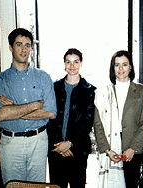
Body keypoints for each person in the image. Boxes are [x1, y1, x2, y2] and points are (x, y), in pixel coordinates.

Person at [0, 28, 57, 184]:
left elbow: (50, 113)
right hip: (11, 143)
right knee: (13, 185)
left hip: (39, 142)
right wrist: (35, 105)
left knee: (37, 186)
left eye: (27, 45)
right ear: (10, 47)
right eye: (19, 44)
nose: (24, 49)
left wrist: (14, 108)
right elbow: (1, 114)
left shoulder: (43, 77)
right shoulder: (0, 80)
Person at [94, 50, 143, 188]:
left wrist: (132, 148)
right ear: (112, 68)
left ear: (130, 67)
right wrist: (107, 150)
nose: (120, 69)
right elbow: (97, 124)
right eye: (117, 65)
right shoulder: (103, 92)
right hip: (109, 149)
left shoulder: (142, 91)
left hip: (132, 151)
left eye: (124, 64)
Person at [47, 48, 96, 188]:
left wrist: (69, 143)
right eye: (68, 62)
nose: (72, 66)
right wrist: (59, 144)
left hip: (78, 151)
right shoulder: (54, 87)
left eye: (76, 62)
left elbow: (87, 122)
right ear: (64, 64)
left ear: (81, 64)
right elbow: (50, 118)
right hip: (56, 151)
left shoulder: (89, 90)